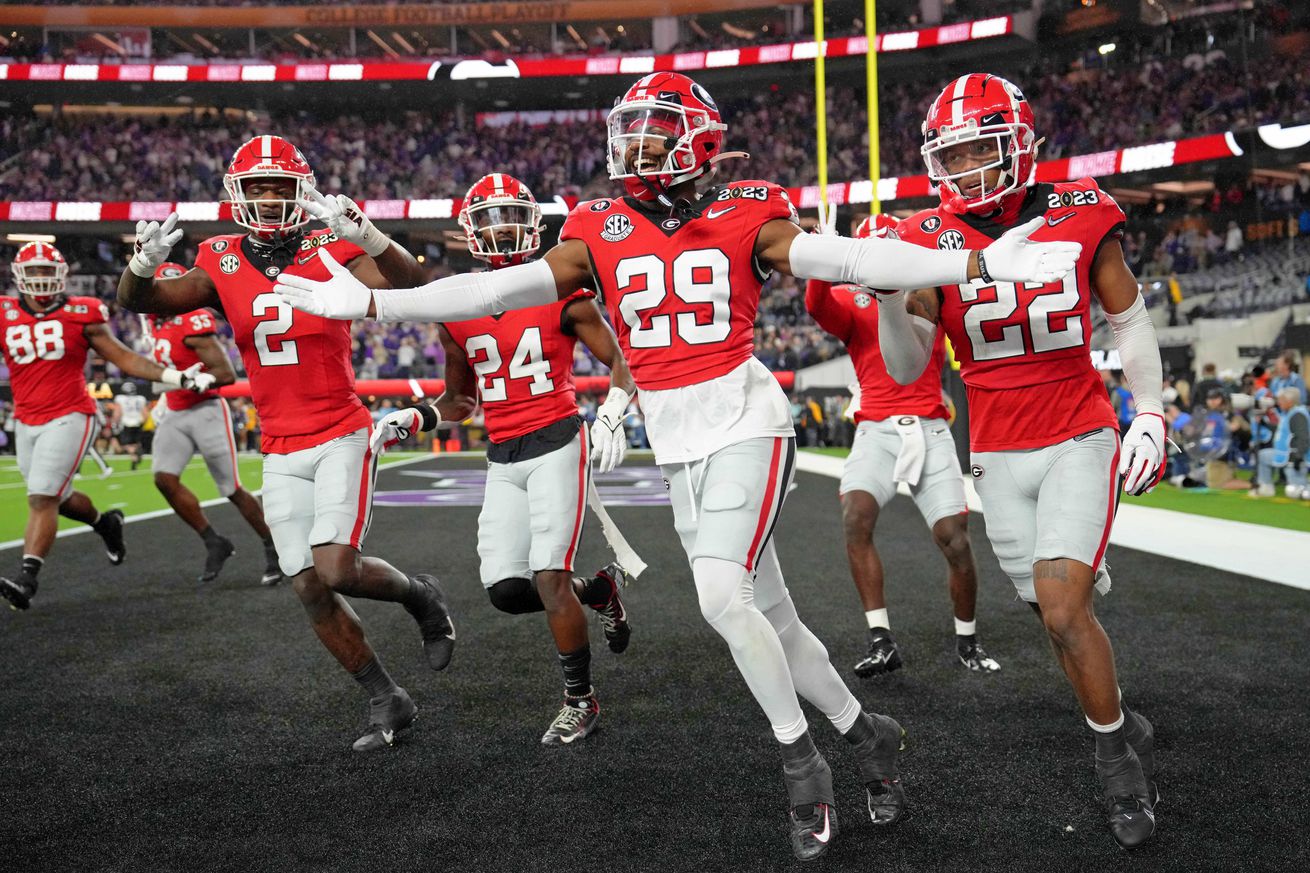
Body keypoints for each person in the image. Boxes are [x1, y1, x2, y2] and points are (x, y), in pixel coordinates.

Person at [272, 72, 1079, 860]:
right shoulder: (596, 224)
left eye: (656, 132)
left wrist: (973, 266)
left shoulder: (749, 207)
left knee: (720, 596)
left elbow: (848, 261)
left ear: (699, 142)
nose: (639, 147)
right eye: (632, 133)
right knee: (776, 620)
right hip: (677, 439)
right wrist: (373, 301)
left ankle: (805, 766)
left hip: (744, 421)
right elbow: (491, 290)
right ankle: (870, 733)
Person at [876, 74, 1161, 849]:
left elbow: (1128, 318)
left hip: (1078, 431)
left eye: (979, 148)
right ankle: (1120, 709)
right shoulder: (931, 237)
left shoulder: (1079, 211)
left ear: (1020, 143)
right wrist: (884, 297)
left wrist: (1154, 413)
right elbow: (907, 368)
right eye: (952, 153)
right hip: (996, 451)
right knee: (1051, 612)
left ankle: (1118, 763)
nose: (965, 168)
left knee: (1065, 608)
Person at [115, 135, 456, 752]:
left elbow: (414, 287)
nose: (269, 198)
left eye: (280, 186)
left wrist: (372, 235)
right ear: (236, 194)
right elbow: (142, 301)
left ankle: (420, 596)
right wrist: (141, 262)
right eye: (257, 187)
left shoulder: (332, 243)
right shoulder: (219, 257)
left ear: (303, 191)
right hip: (278, 442)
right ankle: (387, 697)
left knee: (336, 568)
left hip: (339, 432)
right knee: (306, 584)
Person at [373, 173, 636, 746]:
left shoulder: (561, 289)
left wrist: (613, 409)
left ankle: (581, 701)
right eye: (489, 221)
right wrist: (415, 416)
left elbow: (621, 361)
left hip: (558, 440)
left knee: (548, 577)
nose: (502, 231)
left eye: (511, 218)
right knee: (506, 591)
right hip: (502, 452)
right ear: (471, 234)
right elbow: (461, 399)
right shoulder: (457, 303)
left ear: (533, 224)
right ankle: (602, 592)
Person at [805, 209, 996, 678]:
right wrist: (818, 262)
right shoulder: (854, 303)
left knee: (953, 540)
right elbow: (817, 306)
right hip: (876, 429)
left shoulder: (928, 293)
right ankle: (880, 639)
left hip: (930, 427)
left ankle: (967, 639)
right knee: (855, 517)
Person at [0, 241, 215, 611]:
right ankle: (105, 525)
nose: (39, 279)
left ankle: (27, 578)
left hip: (70, 413)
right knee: (59, 497)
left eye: (46, 271)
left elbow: (125, 358)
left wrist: (174, 376)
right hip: (25, 418)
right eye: (32, 272)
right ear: (18, 276)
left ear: (63, 276)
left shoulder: (81, 312)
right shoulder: (4, 313)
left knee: (41, 496)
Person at [143, 262, 283, 585]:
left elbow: (226, 374)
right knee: (164, 479)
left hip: (205, 409)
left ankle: (272, 546)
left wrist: (196, 382)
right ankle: (213, 541)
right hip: (176, 411)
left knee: (231, 488)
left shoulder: (190, 321)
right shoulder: (153, 321)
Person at [1251, 387, 1309, 498]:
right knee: (1263, 455)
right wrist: (1264, 423)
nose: (1279, 402)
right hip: (1283, 454)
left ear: (1290, 401)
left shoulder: (1298, 415)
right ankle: (1266, 486)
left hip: (1293, 456)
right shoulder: (1289, 413)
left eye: (1282, 400)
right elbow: (1282, 430)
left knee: (1296, 492)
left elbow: (1303, 438)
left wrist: (1298, 457)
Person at [114, 380, 148, 470]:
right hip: (138, 422)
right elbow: (145, 414)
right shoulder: (141, 399)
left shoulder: (120, 399)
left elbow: (117, 413)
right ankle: (137, 453)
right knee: (136, 443)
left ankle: (134, 456)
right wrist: (143, 423)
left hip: (126, 423)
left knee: (127, 445)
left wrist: (115, 423)